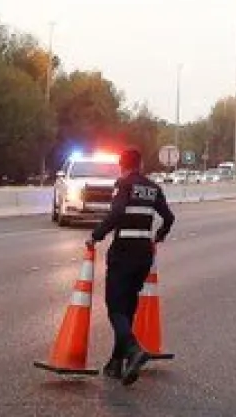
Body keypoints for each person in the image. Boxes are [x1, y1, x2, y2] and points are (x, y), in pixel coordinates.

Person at [88, 147, 175, 385]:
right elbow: (169, 218)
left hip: (123, 252)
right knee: (127, 309)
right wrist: (158, 236)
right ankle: (117, 363)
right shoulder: (153, 188)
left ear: (122, 165)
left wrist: (96, 235)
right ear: (141, 164)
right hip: (143, 255)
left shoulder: (123, 184)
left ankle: (134, 351)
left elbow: (116, 213)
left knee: (115, 308)